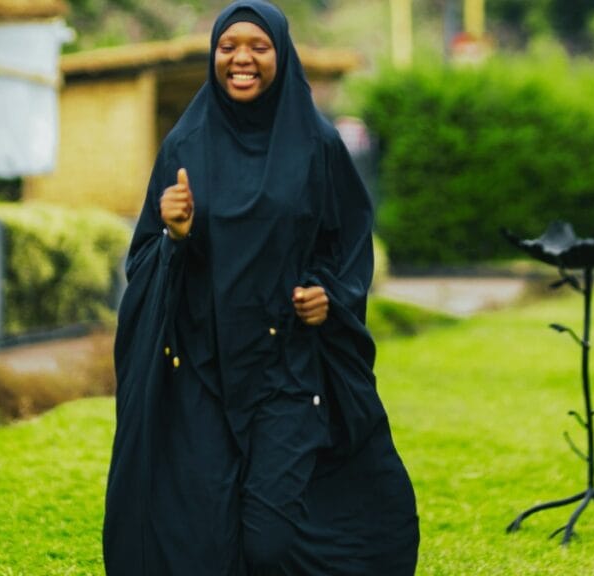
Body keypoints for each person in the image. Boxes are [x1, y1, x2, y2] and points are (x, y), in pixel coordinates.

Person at [102, 2, 419, 574]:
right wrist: (174, 235)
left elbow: (344, 244)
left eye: (258, 46)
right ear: (213, 56)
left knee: (270, 539)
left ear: (281, 53)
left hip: (287, 373)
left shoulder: (317, 146)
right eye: (228, 46)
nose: (241, 58)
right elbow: (144, 260)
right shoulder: (185, 146)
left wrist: (328, 295)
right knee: (205, 533)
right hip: (200, 370)